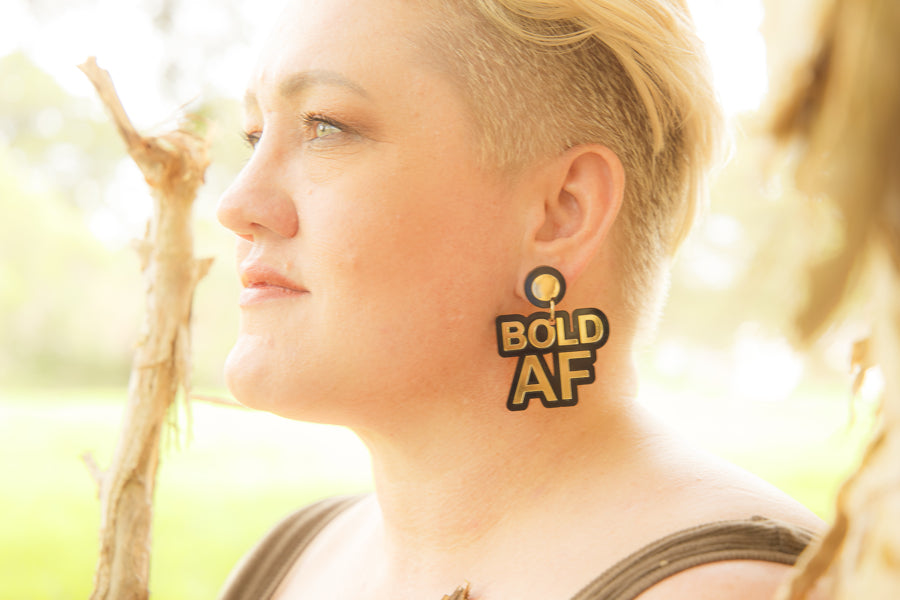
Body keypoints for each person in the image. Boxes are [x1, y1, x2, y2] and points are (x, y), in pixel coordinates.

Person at [214, 0, 824, 598]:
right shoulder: (286, 562)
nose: (237, 205)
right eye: (254, 134)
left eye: (325, 127)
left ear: (561, 213)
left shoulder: (736, 590)